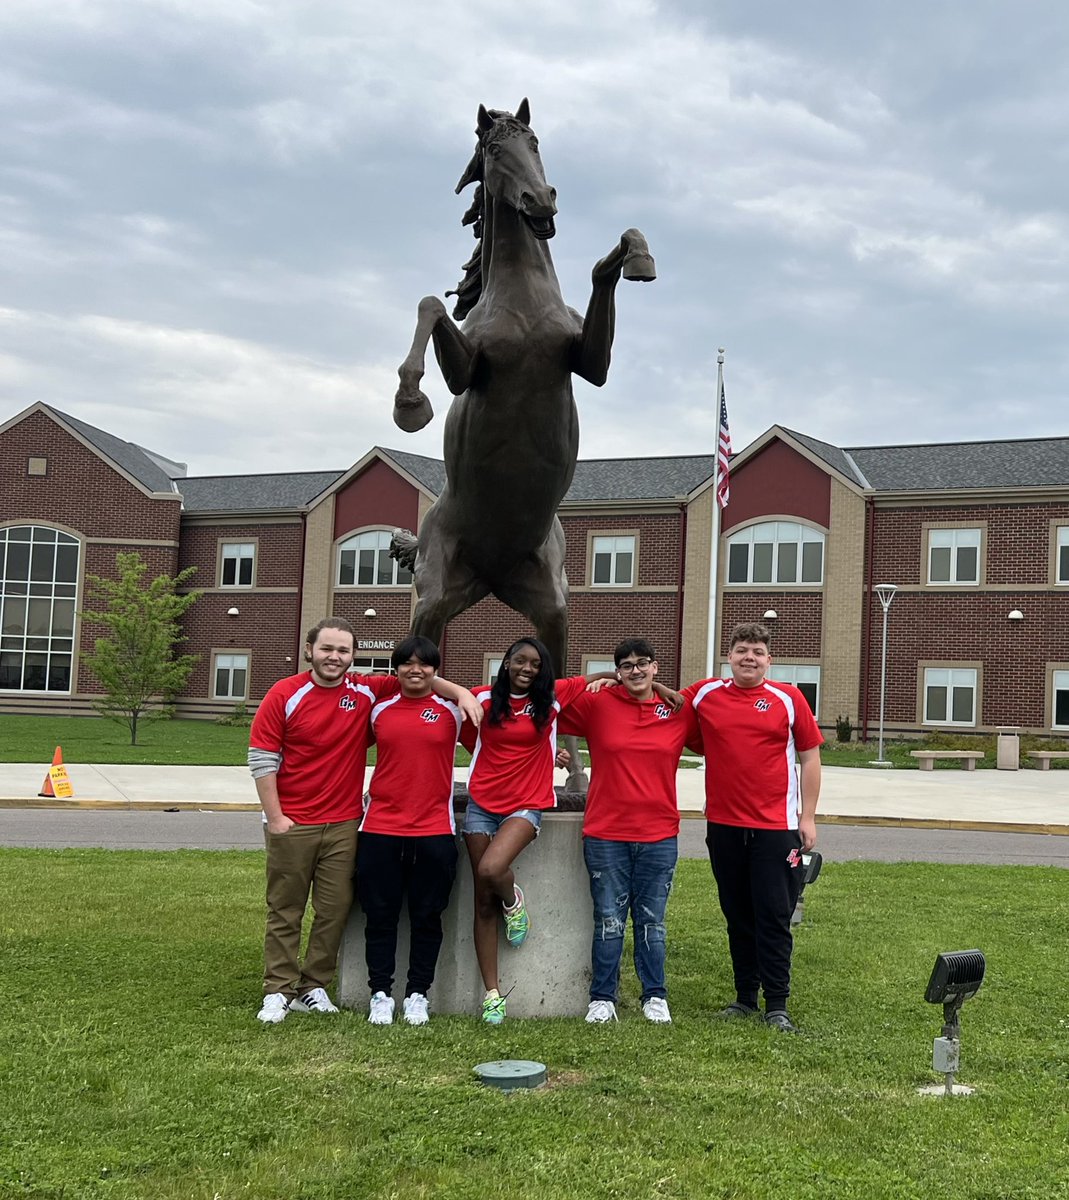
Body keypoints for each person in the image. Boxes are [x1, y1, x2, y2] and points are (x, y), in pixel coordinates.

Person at [248, 617, 479, 1024]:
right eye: (326, 649)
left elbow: (420, 677)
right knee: (285, 910)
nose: (334, 657)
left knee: (335, 910)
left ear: (353, 657)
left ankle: (313, 986)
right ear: (309, 651)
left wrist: (460, 691)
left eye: (342, 651)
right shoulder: (284, 694)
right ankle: (278, 989)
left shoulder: (365, 691)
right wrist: (276, 818)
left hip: (345, 822)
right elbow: (263, 759)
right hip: (294, 821)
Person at [682, 621, 822, 1033]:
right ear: (729, 656)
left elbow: (810, 759)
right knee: (737, 914)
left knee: (774, 915)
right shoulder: (705, 694)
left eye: (758, 652)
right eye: (742, 650)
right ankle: (745, 997)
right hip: (723, 825)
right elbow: (664, 706)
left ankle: (776, 1004)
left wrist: (807, 816)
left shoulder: (788, 697)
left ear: (768, 660)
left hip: (775, 828)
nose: (750, 658)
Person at [559, 638, 700, 1025]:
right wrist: (603, 677)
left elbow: (716, 727)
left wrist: (664, 693)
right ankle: (602, 997)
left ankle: (654, 995)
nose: (635, 670)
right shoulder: (597, 704)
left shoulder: (677, 711)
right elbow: (547, 700)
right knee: (609, 918)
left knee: (652, 920)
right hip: (606, 833)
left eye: (643, 663)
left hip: (659, 834)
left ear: (656, 667)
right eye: (626, 665)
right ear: (618, 671)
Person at [460, 637, 591, 1024]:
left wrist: (663, 688)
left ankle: (513, 902)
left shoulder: (551, 699)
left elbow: (604, 678)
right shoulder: (482, 700)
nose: (527, 669)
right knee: (482, 902)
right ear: (506, 663)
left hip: (525, 804)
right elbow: (460, 720)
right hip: (481, 803)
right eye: (520, 661)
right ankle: (493, 995)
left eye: (535, 663)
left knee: (490, 870)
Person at [358, 636, 462, 1027]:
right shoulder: (378, 709)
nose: (415, 670)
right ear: (396, 668)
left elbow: (497, 742)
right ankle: (380, 993)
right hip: (380, 828)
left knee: (427, 917)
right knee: (379, 916)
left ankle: (418, 993)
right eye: (407, 663)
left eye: (424, 664)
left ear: (436, 670)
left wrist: (552, 752)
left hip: (434, 830)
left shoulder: (452, 711)